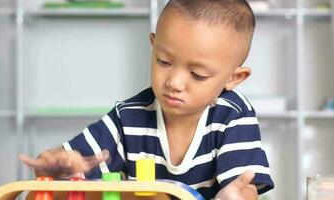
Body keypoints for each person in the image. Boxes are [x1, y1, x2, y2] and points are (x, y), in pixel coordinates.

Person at [19, 0, 274, 199]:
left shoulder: (233, 115)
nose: (173, 82)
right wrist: (54, 164)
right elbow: (57, 169)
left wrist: (239, 194)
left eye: (197, 75)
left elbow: (243, 188)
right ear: (153, 45)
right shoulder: (128, 116)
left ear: (234, 78)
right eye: (163, 61)